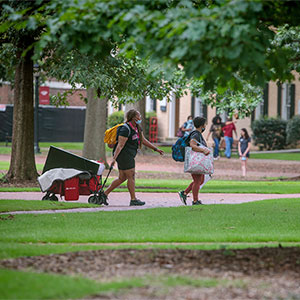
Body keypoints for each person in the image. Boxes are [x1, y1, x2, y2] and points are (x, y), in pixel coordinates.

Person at [103, 109, 164, 206]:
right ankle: (133, 199)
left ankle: (104, 194)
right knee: (131, 176)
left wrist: (155, 149)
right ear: (133, 117)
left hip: (129, 155)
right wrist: (114, 159)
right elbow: (120, 145)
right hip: (123, 155)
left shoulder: (137, 128)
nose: (140, 117)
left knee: (122, 178)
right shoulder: (125, 129)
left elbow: (143, 140)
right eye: (138, 115)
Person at [178, 117, 210, 205]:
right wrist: (203, 150)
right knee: (197, 180)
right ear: (202, 125)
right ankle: (195, 200)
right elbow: (192, 145)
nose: (205, 126)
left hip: (199, 161)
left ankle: (184, 193)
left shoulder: (198, 134)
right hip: (195, 161)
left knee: (200, 180)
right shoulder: (196, 134)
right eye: (205, 124)